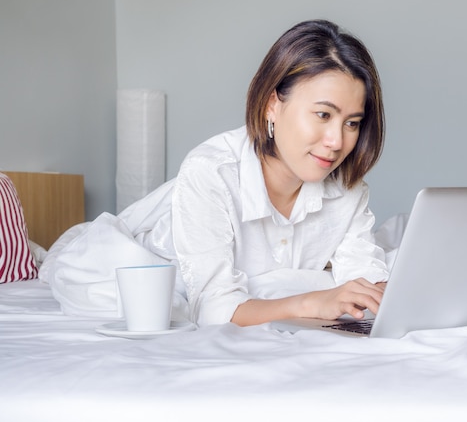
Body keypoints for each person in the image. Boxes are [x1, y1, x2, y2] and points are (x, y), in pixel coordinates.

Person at [43, 19, 390, 327]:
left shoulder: (348, 188)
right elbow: (213, 308)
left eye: (352, 123)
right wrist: (314, 301)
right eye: (323, 115)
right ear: (273, 105)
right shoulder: (211, 171)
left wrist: (383, 292)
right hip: (127, 265)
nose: (336, 141)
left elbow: (364, 277)